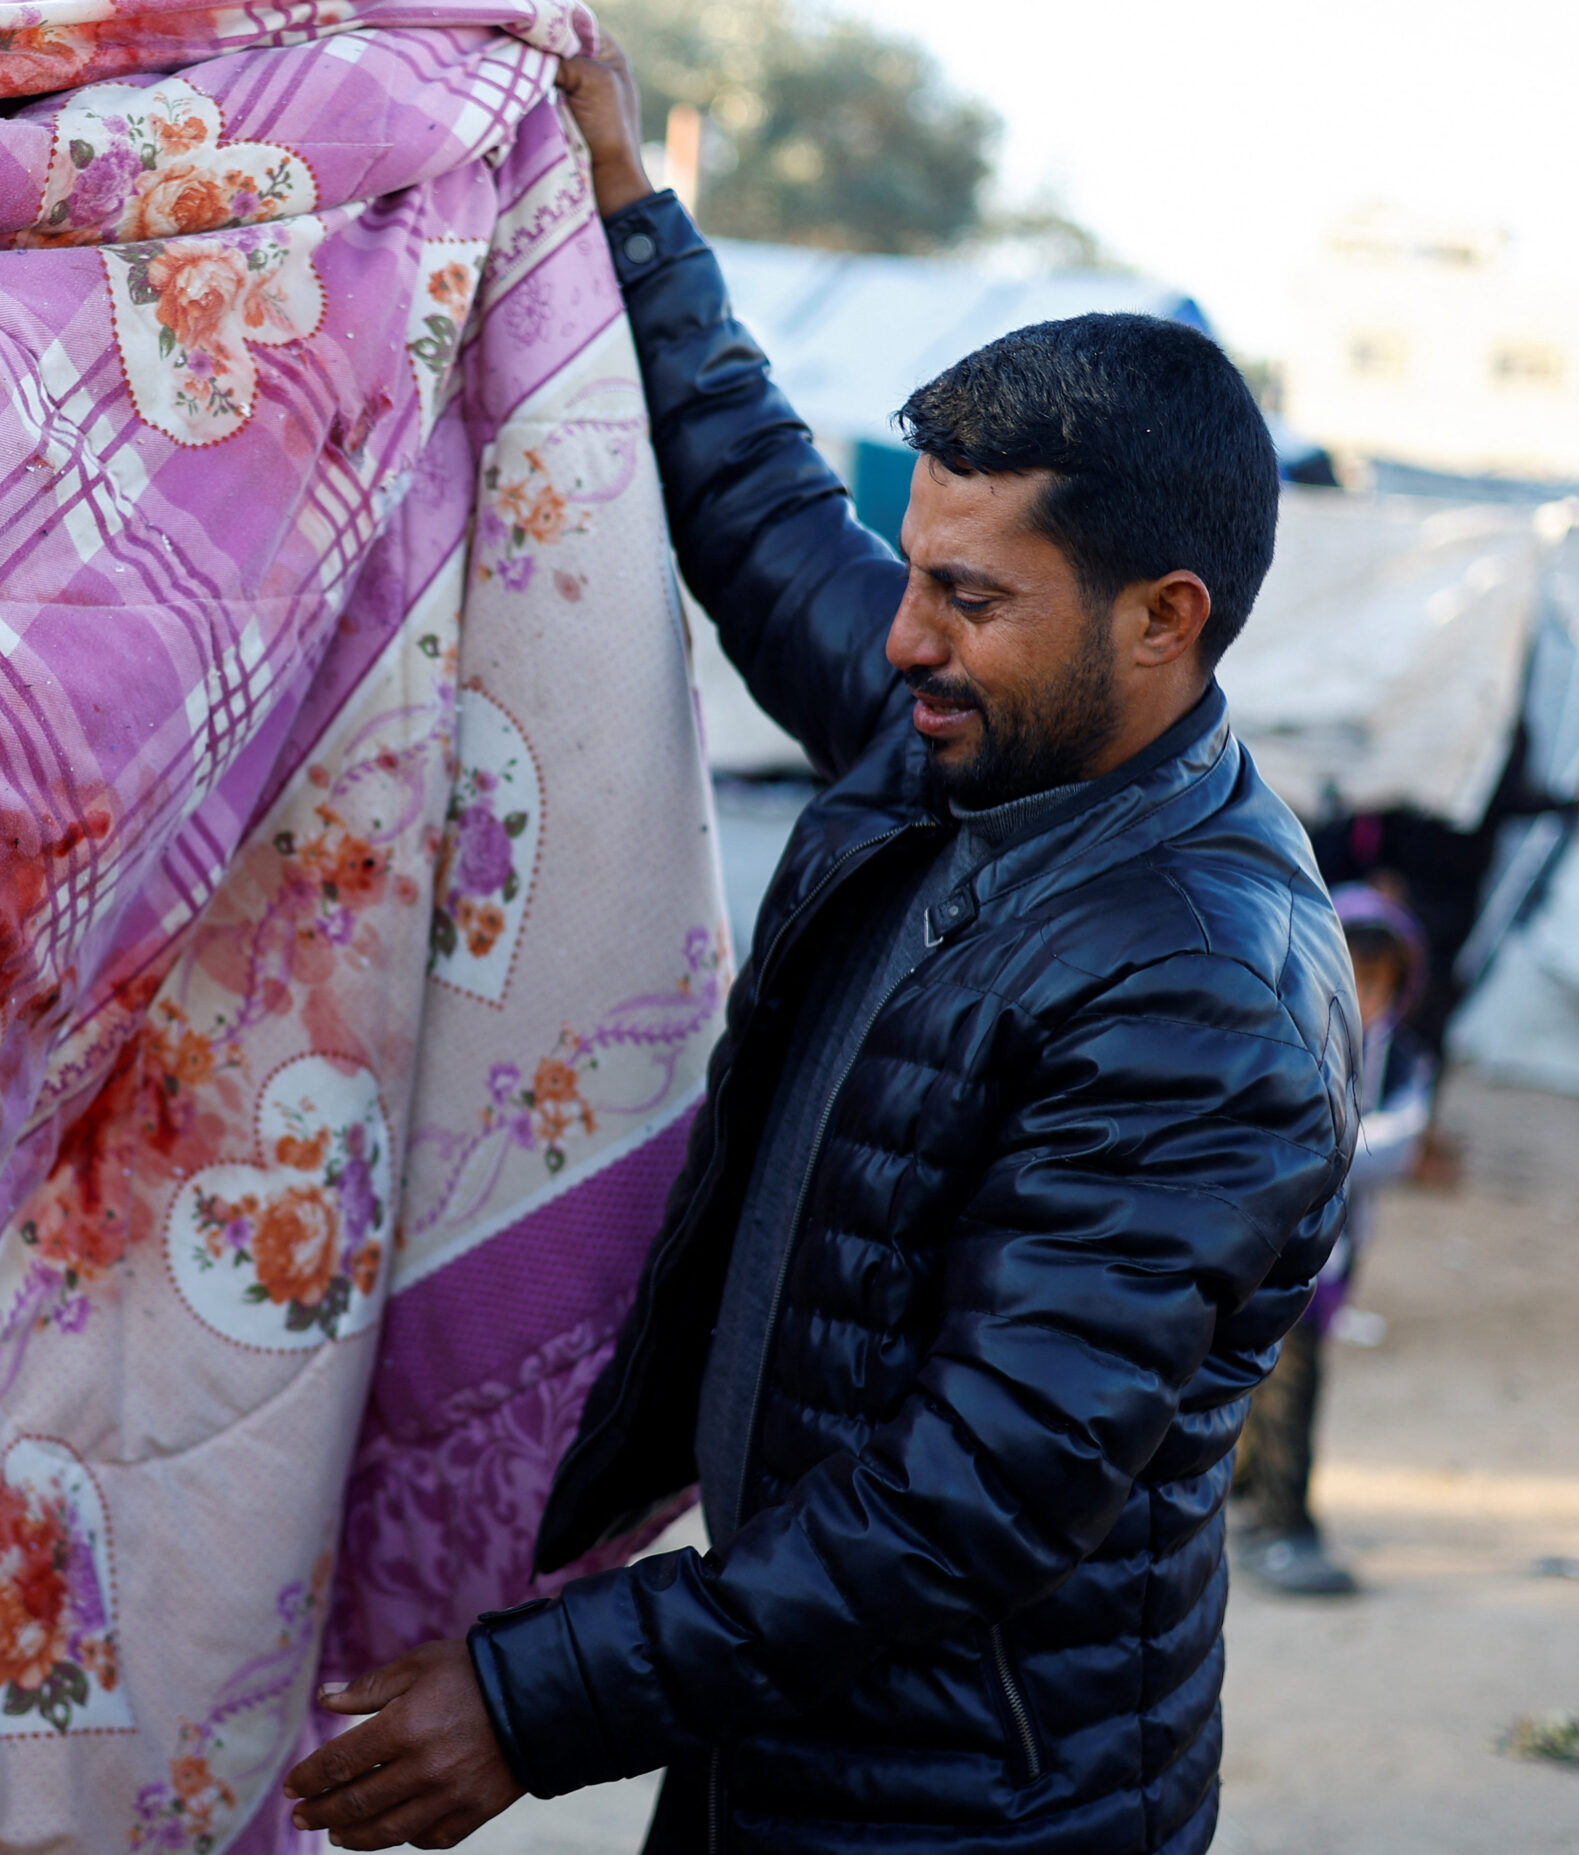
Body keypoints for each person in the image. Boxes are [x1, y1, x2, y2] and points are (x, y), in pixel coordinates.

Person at [280, 37, 1358, 1855]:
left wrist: (541, 1700)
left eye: (970, 596)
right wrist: (626, 193)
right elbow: (761, 505)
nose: (905, 637)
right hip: (788, 1732)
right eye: (915, 569)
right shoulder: (970, 744)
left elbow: (967, 1500)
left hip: (975, 1804)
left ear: (1164, 620)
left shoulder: (1203, 996)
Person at [1230, 883, 1434, 1596]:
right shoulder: (1278, 1030)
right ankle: (1265, 1508)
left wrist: (1322, 1143)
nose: (1365, 994)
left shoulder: (1402, 1059)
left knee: (1293, 1379)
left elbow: (1398, 1146)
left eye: (1379, 981)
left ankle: (1279, 1512)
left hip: (1327, 1257)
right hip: (1257, 1242)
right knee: (1256, 1376)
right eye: (1354, 973)